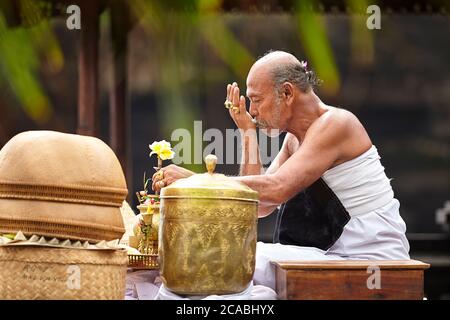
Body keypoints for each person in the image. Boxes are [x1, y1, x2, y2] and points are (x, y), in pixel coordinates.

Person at [152, 50, 410, 290]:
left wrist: (197, 181)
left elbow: (276, 189)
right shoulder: (293, 140)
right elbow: (259, 206)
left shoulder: (337, 123)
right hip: (333, 256)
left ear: (287, 93)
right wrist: (247, 132)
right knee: (223, 262)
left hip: (368, 259)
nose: (252, 111)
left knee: (229, 257)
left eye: (257, 100)